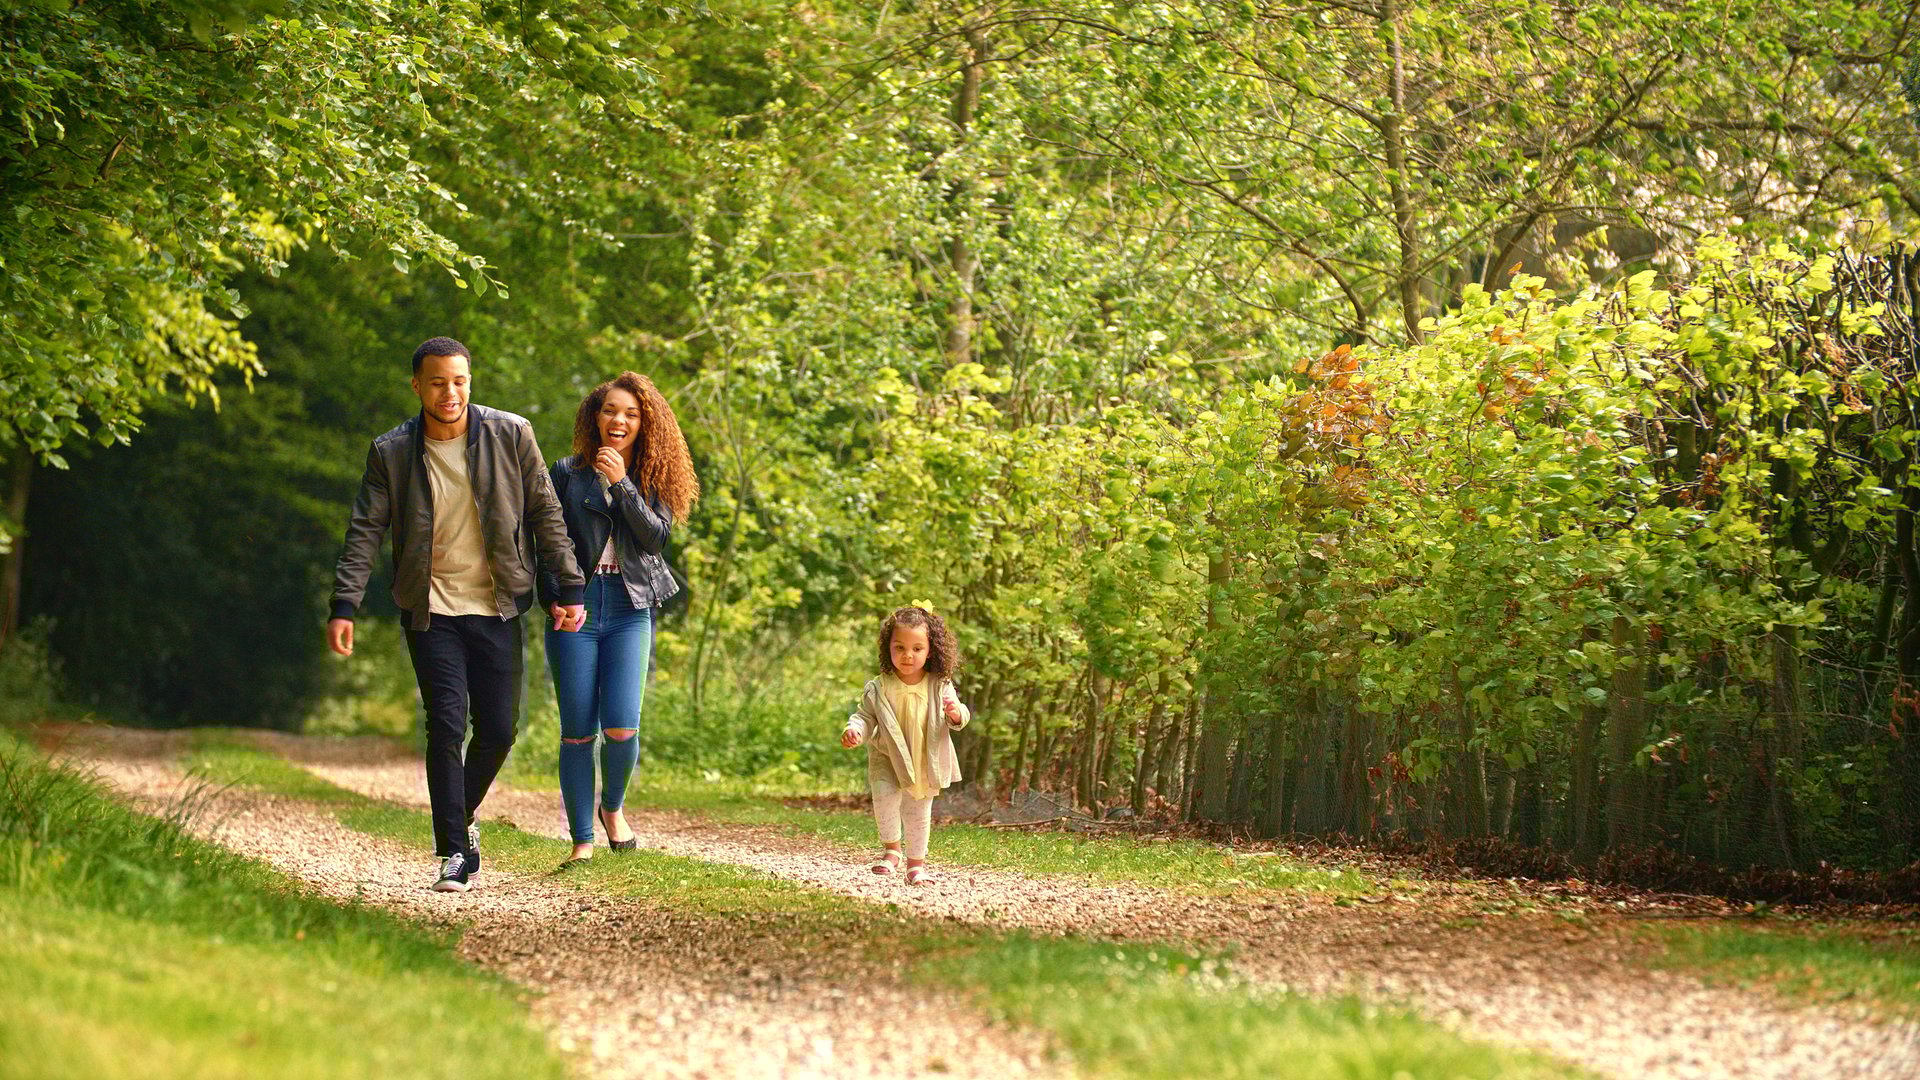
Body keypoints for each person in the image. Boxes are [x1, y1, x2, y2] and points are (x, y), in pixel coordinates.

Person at [327, 336, 586, 893]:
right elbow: (365, 530)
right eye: (439, 381)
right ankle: (452, 852)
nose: (451, 392)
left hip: (496, 604)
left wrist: (568, 586)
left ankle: (458, 816)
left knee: (498, 730)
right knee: (444, 724)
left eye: (460, 380)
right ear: (417, 385)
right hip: (430, 609)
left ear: (471, 380)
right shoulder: (391, 452)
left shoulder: (511, 434)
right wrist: (344, 602)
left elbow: (545, 512)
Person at [539, 371, 699, 865]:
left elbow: (655, 539)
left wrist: (621, 484)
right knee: (577, 731)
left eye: (631, 413)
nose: (619, 420)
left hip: (631, 608)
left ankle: (613, 808)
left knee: (622, 728)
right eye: (611, 410)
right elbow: (545, 541)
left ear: (644, 423)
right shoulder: (565, 472)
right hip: (576, 606)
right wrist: (554, 599)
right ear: (596, 415)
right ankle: (582, 840)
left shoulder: (653, 478)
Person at [840, 604, 970, 885]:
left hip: (924, 757)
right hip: (886, 755)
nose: (907, 655)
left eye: (916, 648)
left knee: (918, 810)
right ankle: (891, 850)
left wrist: (956, 713)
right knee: (884, 798)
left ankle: (916, 864)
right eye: (899, 647)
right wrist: (855, 730)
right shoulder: (880, 686)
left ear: (930, 650)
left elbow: (959, 712)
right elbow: (865, 716)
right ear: (888, 648)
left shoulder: (939, 684)